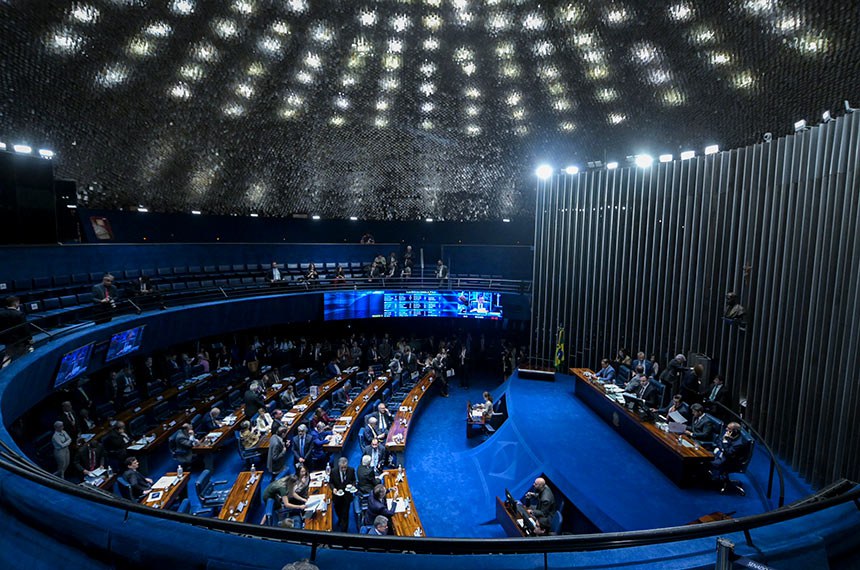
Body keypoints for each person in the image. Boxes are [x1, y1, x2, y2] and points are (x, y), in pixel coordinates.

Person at [711, 422, 752, 494]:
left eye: (729, 428)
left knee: (711, 462)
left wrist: (724, 443)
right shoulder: (730, 434)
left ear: (735, 431)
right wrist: (723, 446)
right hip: (726, 457)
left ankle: (715, 479)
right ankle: (715, 476)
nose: (726, 429)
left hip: (732, 462)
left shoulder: (739, 443)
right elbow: (718, 441)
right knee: (709, 456)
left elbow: (728, 453)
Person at [0, 295, 32, 364]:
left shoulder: (1, 314)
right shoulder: (19, 314)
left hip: (7, 340)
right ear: (15, 304)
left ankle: (3, 371)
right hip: (19, 340)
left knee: (8, 355)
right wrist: (30, 339)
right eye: (18, 303)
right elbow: (25, 329)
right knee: (25, 355)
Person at [330, 457, 357, 532]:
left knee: (345, 514)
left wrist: (353, 485)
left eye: (345, 467)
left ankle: (344, 532)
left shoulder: (351, 470)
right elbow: (331, 482)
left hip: (347, 496)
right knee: (338, 510)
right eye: (342, 467)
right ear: (339, 465)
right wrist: (333, 489)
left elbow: (354, 480)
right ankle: (340, 519)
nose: (344, 469)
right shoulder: (333, 471)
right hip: (337, 496)